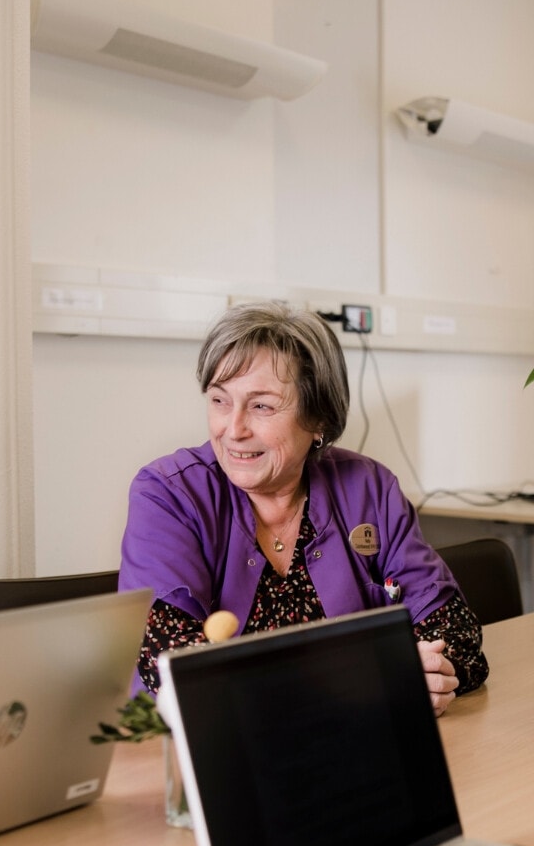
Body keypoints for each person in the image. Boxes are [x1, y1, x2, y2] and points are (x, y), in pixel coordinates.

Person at [119, 300, 487, 714]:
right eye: (220, 400)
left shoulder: (370, 487)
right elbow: (170, 656)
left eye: (261, 406)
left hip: (354, 744)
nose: (233, 429)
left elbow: (452, 629)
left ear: (319, 420)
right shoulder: (168, 494)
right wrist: (364, 678)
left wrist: (432, 675)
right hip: (191, 759)